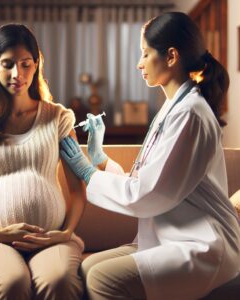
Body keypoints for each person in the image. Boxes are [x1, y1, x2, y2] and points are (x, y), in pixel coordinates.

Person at [60, 12, 240, 300]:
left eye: (145, 54)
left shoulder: (190, 113)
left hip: (201, 244)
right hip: (170, 236)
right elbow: (146, 181)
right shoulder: (173, 107)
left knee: (102, 279)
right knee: (87, 267)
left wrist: (88, 173)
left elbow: (147, 194)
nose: (139, 64)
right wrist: (100, 159)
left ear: (171, 56)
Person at [0, 23, 86, 300]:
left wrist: (66, 232)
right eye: (7, 64)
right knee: (11, 282)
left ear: (36, 65)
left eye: (25, 64)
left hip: (49, 239)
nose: (17, 74)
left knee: (58, 280)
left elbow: (77, 188)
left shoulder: (58, 118)